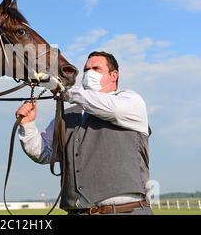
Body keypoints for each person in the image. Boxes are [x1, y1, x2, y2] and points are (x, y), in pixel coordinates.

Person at [16, 51, 152, 215]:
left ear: (113, 75)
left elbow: (113, 110)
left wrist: (66, 91)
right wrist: (28, 124)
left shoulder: (130, 101)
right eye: (86, 70)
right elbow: (43, 153)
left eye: (96, 68)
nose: (89, 74)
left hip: (125, 210)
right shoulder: (67, 115)